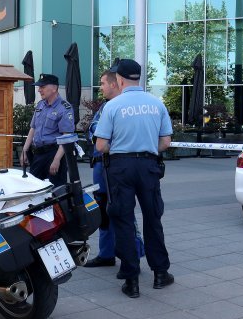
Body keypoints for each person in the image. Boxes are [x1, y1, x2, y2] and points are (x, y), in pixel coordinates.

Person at [94, 59, 173, 298]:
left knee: (124, 221)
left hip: (121, 168)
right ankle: (160, 273)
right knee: (152, 218)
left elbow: (101, 145)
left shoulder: (113, 106)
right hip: (149, 166)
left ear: (119, 80)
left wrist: (121, 147)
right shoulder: (156, 104)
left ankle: (131, 280)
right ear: (138, 78)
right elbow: (165, 143)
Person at [84, 69, 121, 268]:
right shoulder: (106, 107)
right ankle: (107, 254)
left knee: (120, 210)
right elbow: (93, 129)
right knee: (103, 210)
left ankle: (131, 255)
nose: (101, 88)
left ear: (114, 84)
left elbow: (99, 133)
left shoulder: (119, 107)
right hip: (101, 166)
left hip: (114, 166)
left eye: (103, 83)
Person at [21, 73, 75, 187]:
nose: (39, 90)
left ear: (54, 88)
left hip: (54, 153)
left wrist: (56, 160)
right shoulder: (40, 105)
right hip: (38, 154)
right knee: (33, 189)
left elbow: (66, 137)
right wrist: (24, 151)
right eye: (39, 87)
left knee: (56, 192)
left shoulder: (64, 108)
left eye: (43, 87)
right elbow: (33, 128)